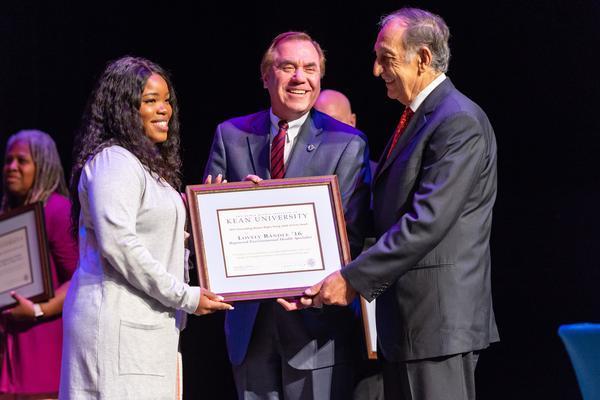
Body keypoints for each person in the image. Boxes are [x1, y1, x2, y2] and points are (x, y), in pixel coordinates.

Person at [288, 8, 500, 400]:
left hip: (437, 326)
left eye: (386, 58)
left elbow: (426, 221)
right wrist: (274, 200)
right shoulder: (418, 119)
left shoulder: (457, 121)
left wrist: (351, 280)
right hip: (409, 327)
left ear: (421, 58)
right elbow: (382, 212)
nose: (375, 70)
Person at [204, 32, 371, 399]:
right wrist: (234, 201)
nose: (300, 78)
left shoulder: (346, 143)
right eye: (288, 67)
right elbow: (206, 232)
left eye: (310, 68)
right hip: (250, 324)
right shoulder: (229, 135)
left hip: (316, 325)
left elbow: (351, 234)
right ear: (266, 76)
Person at [59, 56, 232, 399]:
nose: (163, 109)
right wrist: (186, 296)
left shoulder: (146, 168)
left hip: (145, 326)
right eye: (150, 101)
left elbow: (158, 237)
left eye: (166, 99)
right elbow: (119, 244)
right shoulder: (114, 161)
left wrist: (211, 214)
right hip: (116, 326)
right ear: (124, 109)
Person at [0, 130, 78, 400]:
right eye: (8, 160)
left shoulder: (57, 210)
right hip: (9, 357)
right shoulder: (6, 216)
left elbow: (79, 278)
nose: (11, 167)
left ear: (43, 165)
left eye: (22, 161)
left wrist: (37, 310)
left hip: (43, 356)